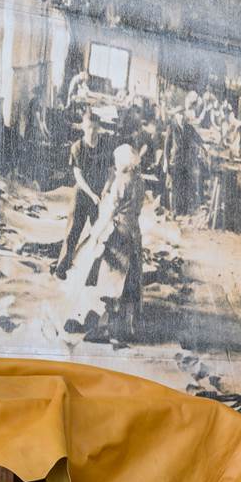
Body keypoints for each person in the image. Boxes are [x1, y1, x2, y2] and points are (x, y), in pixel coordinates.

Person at [61, 142, 146, 340]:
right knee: (130, 279)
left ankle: (106, 323)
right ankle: (128, 325)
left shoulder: (121, 183)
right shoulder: (140, 181)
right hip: (133, 232)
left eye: (117, 161)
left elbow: (108, 214)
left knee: (108, 277)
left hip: (119, 234)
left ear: (124, 162)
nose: (115, 164)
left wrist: (95, 236)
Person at [53, 111, 111, 280]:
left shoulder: (105, 146)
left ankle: (94, 275)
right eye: (88, 128)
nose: (91, 131)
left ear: (98, 128)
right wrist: (91, 194)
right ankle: (61, 269)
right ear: (83, 128)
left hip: (99, 195)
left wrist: (105, 189)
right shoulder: (77, 147)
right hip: (83, 193)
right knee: (72, 233)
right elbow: (78, 175)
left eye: (94, 128)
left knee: (99, 234)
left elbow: (110, 172)